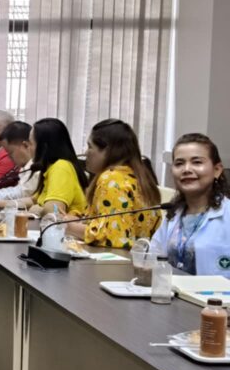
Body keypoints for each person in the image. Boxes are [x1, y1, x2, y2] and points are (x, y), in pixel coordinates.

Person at [62, 119, 161, 248]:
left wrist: (68, 227)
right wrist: (79, 219)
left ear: (108, 151)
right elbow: (106, 221)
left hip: (118, 258)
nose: (86, 153)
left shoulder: (112, 179)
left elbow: (112, 237)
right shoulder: (139, 175)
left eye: (90, 147)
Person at [151, 133, 230, 275]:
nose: (186, 169)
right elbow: (153, 258)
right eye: (179, 164)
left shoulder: (227, 214)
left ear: (217, 170)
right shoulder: (173, 215)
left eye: (197, 162)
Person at [27, 118, 88, 216]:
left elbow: (54, 211)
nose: (28, 148)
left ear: (44, 147)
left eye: (30, 143)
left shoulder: (61, 167)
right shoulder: (51, 167)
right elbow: (33, 200)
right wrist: (5, 203)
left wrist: (38, 210)